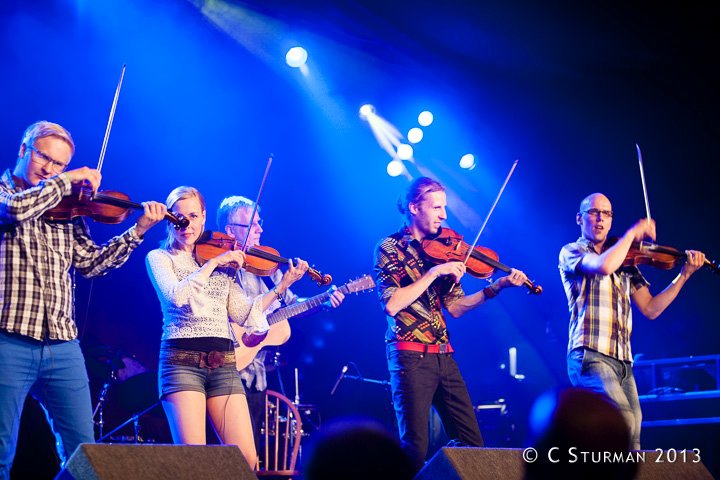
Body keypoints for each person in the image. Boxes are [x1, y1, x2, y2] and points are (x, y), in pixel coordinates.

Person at [0, 121, 167, 478]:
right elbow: (13, 210)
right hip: (8, 340)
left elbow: (91, 264)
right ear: (23, 149)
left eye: (59, 164)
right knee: (1, 452)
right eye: (45, 157)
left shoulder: (67, 210)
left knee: (84, 455)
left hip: (62, 346)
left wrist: (138, 231)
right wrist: (68, 178)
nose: (50, 169)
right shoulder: (5, 192)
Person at [145, 186, 309, 469]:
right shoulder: (160, 258)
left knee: (246, 461)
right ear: (169, 218)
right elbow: (177, 296)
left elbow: (245, 313)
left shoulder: (219, 260)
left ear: (204, 217)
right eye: (178, 216)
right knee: (194, 462)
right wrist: (214, 264)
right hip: (182, 362)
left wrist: (282, 287)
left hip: (223, 364)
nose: (186, 223)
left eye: (194, 215)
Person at [373, 176, 529, 471]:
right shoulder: (389, 247)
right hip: (409, 355)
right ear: (414, 207)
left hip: (444, 355)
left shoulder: (445, 246)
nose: (444, 215)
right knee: (414, 446)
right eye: (437, 207)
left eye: (444, 207)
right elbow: (392, 304)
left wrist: (497, 287)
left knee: (473, 444)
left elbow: (456, 307)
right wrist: (433, 273)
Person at [559, 192, 706, 450]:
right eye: (594, 212)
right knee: (623, 419)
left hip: (622, 360)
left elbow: (651, 308)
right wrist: (633, 233)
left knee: (634, 428)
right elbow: (603, 266)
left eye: (607, 213)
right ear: (579, 219)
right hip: (590, 354)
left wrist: (684, 275)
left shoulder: (626, 262)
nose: (601, 218)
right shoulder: (572, 251)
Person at [215, 195, 344, 461]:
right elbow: (233, 312)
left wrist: (324, 302)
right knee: (227, 458)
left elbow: (294, 306)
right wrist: (281, 286)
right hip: (226, 370)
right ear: (230, 230)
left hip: (256, 377)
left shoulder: (269, 267)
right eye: (253, 225)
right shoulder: (219, 265)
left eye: (261, 223)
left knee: (250, 458)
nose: (261, 229)